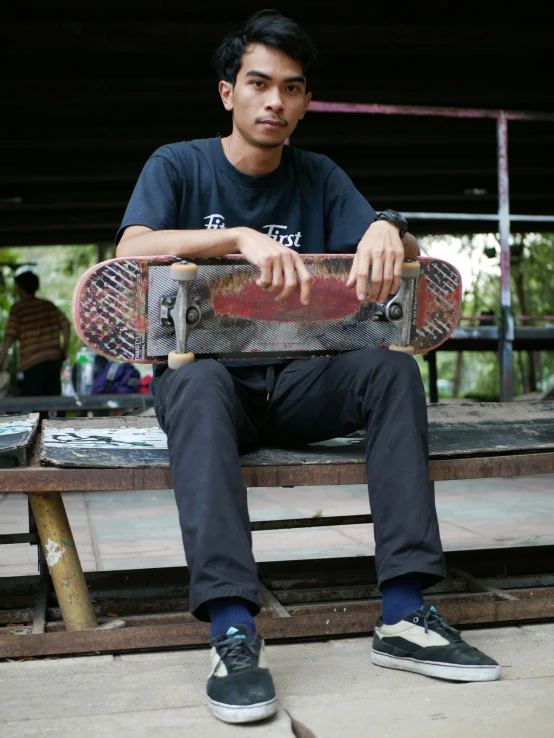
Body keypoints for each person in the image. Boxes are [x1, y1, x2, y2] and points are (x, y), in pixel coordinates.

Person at [116, 10, 500, 725]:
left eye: (291, 89)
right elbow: (130, 249)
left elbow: (397, 250)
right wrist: (235, 237)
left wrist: (390, 224)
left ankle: (406, 615)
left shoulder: (320, 177)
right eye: (258, 84)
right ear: (227, 92)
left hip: (300, 382)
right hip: (212, 387)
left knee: (389, 370)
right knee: (193, 380)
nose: (275, 102)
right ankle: (233, 629)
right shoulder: (178, 164)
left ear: (305, 102)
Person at [0, 271, 70, 397]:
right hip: (54, 357)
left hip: (32, 361)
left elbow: (10, 336)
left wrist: (1, 360)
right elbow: (65, 324)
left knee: (35, 401)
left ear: (21, 289)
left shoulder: (18, 309)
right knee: (53, 398)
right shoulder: (48, 305)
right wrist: (64, 349)